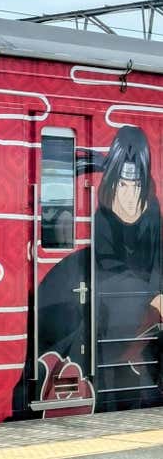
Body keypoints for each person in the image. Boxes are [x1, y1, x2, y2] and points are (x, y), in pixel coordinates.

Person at [31, 126, 163, 414]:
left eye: (137, 187)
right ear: (109, 188)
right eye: (122, 186)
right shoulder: (73, 269)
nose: (129, 198)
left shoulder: (156, 246)